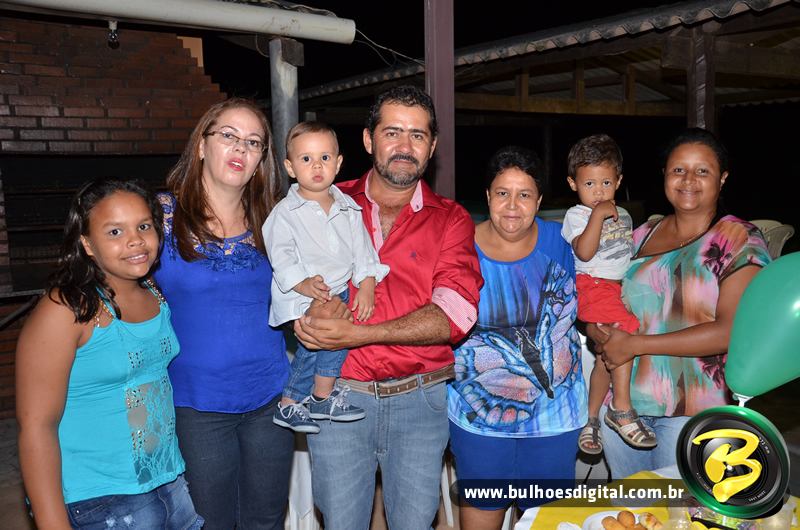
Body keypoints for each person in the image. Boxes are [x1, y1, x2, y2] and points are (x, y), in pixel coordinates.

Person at [293, 85, 483, 530]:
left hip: (421, 401)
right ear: (368, 139)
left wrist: (356, 334)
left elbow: (455, 313)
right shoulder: (319, 204)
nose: (404, 146)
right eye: (392, 132)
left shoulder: (451, 218)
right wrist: (298, 316)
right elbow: (285, 274)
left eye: (417, 135)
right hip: (336, 396)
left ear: (432, 147)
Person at [16, 179, 203, 529]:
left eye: (144, 226)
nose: (135, 240)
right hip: (101, 500)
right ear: (87, 243)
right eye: (115, 231)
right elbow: (36, 427)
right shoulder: (65, 310)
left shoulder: (154, 294)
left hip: (168, 482)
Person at [588, 127, 771, 478]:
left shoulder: (738, 238)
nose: (688, 180)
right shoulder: (639, 235)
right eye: (678, 169)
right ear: (664, 175)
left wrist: (636, 344)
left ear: (722, 178)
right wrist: (597, 330)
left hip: (693, 412)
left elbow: (731, 331)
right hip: (624, 412)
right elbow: (601, 294)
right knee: (632, 506)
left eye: (702, 170)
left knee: (682, 507)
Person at [154, 97, 293, 529]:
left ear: (261, 159)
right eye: (228, 136)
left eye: (253, 142)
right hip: (195, 404)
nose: (240, 149)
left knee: (266, 520)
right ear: (201, 145)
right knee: (210, 522)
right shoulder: (160, 217)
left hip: (270, 398)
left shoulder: (278, 220)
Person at [448, 146, 587, 530]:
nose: (512, 205)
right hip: (480, 415)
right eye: (502, 193)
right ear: (488, 196)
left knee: (545, 521)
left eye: (524, 194)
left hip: (555, 418)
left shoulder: (564, 243)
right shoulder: (458, 245)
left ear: (539, 201)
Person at [263, 121, 389, 433]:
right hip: (300, 293)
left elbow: (363, 250)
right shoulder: (285, 212)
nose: (316, 166)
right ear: (290, 168)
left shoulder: (348, 207)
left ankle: (322, 396)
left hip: (337, 290)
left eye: (324, 157)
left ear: (338, 163)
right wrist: (303, 283)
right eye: (306, 159)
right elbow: (280, 254)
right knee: (314, 345)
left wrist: (367, 285)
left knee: (338, 341)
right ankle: (289, 403)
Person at [560, 134, 656, 455]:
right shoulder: (577, 216)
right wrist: (598, 215)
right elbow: (585, 253)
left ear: (618, 181)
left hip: (615, 289)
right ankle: (621, 408)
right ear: (573, 184)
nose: (598, 191)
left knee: (606, 358)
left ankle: (591, 419)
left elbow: (624, 256)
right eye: (589, 184)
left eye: (606, 183)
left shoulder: (624, 215)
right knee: (625, 336)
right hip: (592, 285)